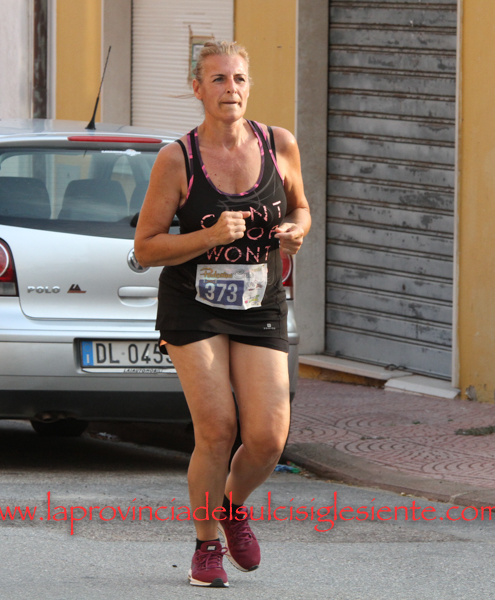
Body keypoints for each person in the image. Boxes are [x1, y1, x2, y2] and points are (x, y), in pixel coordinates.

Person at [134, 40, 311, 588]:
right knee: (217, 428)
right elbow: (146, 247)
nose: (230, 89)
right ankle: (206, 544)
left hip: (259, 301)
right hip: (193, 303)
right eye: (217, 79)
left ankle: (231, 506)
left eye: (238, 79)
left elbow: (301, 206)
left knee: (268, 438)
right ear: (197, 88)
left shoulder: (279, 143)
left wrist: (297, 230)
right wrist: (208, 236)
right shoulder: (177, 159)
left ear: (249, 86)